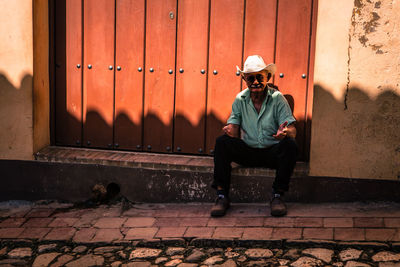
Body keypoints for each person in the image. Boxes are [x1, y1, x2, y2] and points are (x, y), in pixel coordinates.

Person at [210, 55, 297, 217]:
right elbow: (234, 129)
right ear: (244, 79)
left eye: (260, 77)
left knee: (290, 145)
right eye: (251, 78)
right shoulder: (240, 99)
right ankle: (222, 197)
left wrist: (285, 132)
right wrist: (230, 129)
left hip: (272, 151)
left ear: (268, 77)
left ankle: (277, 195)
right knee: (222, 142)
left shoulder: (278, 99)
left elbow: (292, 129)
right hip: (248, 151)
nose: (255, 82)